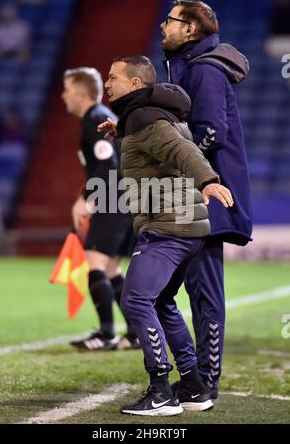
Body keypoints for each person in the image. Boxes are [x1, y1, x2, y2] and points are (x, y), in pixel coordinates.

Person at [100, 55, 233, 416]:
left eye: (113, 77)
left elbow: (181, 150)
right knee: (160, 302)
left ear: (135, 84)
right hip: (185, 225)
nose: (107, 82)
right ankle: (192, 385)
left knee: (136, 301)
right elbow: (161, 145)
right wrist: (120, 129)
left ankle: (160, 390)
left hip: (167, 225)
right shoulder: (148, 116)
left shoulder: (145, 119)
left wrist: (208, 180)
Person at [160, 0, 252, 397]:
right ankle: (195, 376)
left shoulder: (204, 70)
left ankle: (204, 382)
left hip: (208, 196)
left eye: (171, 20)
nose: (163, 25)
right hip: (195, 193)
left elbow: (211, 132)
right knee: (166, 289)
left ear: (191, 30)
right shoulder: (191, 66)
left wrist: (165, 157)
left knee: (203, 291)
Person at [61, 66, 139, 351]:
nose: (63, 96)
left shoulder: (96, 119)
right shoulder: (100, 118)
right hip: (124, 199)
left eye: (67, 90)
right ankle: (136, 332)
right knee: (109, 270)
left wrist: (86, 199)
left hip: (113, 201)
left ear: (81, 93)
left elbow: (108, 166)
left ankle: (106, 334)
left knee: (94, 261)